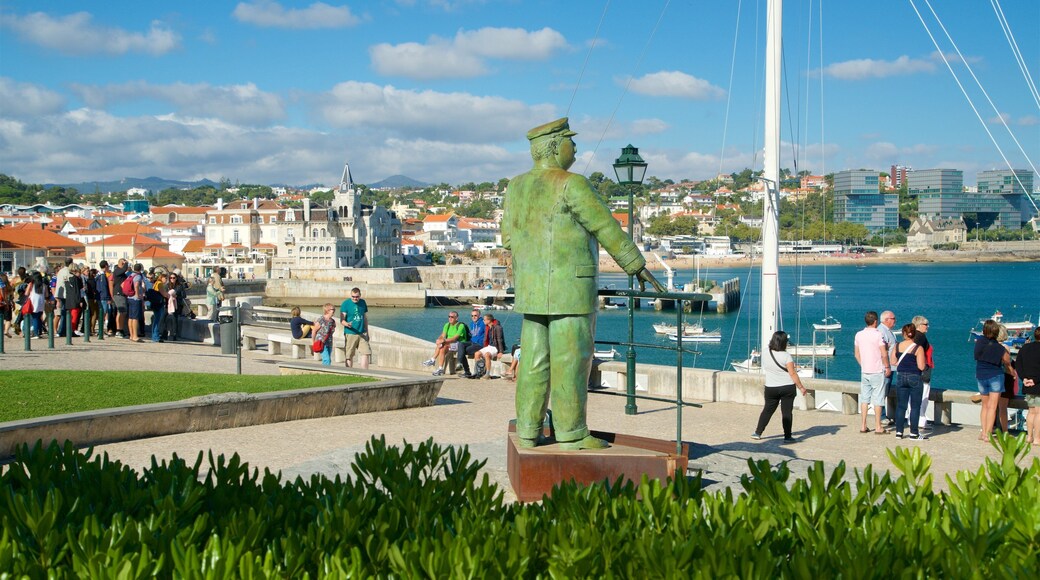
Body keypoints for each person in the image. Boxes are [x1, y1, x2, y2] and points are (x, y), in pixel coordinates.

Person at [501, 117, 664, 450]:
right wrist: (635, 265)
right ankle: (571, 433)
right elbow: (605, 227)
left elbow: (507, 239)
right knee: (571, 363)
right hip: (571, 292)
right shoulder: (571, 184)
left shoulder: (515, 186)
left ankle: (529, 431)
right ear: (554, 146)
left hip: (532, 292)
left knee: (533, 363)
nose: (575, 147)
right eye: (569, 141)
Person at [753, 331, 809, 442]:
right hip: (787, 387)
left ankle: (757, 432)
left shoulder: (765, 352)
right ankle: (787, 437)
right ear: (784, 343)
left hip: (770, 387)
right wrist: (801, 387)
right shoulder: (786, 356)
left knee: (767, 410)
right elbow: (792, 373)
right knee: (787, 412)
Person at [974, 319, 1016, 441]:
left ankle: (983, 433)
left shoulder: (979, 342)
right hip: (995, 376)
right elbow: (1007, 362)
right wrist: (1012, 373)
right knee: (992, 407)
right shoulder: (999, 348)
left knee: (985, 406)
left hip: (981, 374)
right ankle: (988, 435)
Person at [854, 311, 890, 434]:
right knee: (878, 399)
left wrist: (863, 364)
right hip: (877, 370)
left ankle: (863, 425)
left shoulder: (859, 335)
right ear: (875, 322)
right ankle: (878, 426)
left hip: (865, 371)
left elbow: (856, 354)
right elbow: (884, 353)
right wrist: (887, 366)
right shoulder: (878, 335)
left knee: (864, 399)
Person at [892, 323, 927, 440]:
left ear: (903, 333)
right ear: (914, 334)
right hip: (914, 377)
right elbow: (921, 366)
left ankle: (899, 432)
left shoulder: (897, 346)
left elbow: (893, 361)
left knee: (901, 406)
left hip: (901, 377)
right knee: (915, 407)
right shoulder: (918, 348)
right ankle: (914, 433)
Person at [1014, 328, 1040, 446]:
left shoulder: (1025, 348)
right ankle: (1037, 438)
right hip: (1038, 384)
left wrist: (1024, 378)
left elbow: (1018, 365)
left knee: (1031, 412)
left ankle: (1029, 436)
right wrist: (1035, 380)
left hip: (1027, 385)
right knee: (1039, 413)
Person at [422, 311, 468, 376]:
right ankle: (439, 367)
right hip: (449, 343)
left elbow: (454, 338)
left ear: (456, 318)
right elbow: (443, 335)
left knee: (443, 344)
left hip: (460, 344)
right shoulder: (447, 325)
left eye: (452, 317)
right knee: (442, 346)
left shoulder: (461, 326)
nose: (450, 318)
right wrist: (439, 340)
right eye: (449, 316)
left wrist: (443, 341)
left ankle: (433, 360)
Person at [911, 315, 934, 431]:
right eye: (926, 324)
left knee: (913, 397)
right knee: (923, 396)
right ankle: (921, 420)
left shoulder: (913, 336)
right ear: (919, 325)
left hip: (913, 371)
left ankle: (914, 419)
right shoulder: (921, 338)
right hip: (923, 370)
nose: (927, 327)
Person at [340, 287, 371, 369]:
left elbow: (365, 318)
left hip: (362, 333)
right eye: (353, 296)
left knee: (366, 353)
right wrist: (346, 324)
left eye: (357, 296)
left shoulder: (363, 302)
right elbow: (342, 320)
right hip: (350, 333)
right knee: (349, 355)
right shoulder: (345, 304)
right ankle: (349, 373)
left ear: (360, 295)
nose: (355, 298)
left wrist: (367, 332)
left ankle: (365, 373)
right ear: (351, 295)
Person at [878, 310, 898, 424]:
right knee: (882, 392)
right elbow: (882, 351)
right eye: (893, 318)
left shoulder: (888, 331)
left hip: (890, 366)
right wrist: (887, 367)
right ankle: (881, 416)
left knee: (885, 392)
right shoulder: (882, 331)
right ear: (886, 320)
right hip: (886, 368)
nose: (895, 321)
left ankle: (882, 415)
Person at [475, 313, 506, 381]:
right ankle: (480, 371)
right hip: (489, 346)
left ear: (489, 320)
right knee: (477, 354)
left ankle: (487, 374)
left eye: (484, 320)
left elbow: (500, 339)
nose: (483, 321)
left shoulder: (497, 327)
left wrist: (501, 351)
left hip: (495, 347)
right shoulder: (488, 327)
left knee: (487, 355)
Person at [458, 309, 486, 378]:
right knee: (461, 344)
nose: (473, 317)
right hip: (472, 342)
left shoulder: (483, 323)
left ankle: (467, 372)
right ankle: (460, 363)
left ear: (479, 315)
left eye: (475, 315)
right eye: (472, 316)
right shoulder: (472, 323)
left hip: (479, 344)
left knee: (462, 351)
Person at [126, 263, 145, 342]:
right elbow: (136, 285)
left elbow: (122, 284)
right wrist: (137, 295)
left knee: (130, 317)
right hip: (135, 299)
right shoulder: (138, 276)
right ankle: (135, 336)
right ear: (140, 269)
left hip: (129, 298)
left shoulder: (130, 275)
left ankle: (131, 335)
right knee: (135, 318)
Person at [112, 258, 130, 338]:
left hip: (123, 294)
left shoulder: (122, 273)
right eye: (123, 263)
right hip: (118, 293)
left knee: (122, 312)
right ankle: (119, 330)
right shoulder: (117, 271)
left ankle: (121, 329)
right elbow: (124, 269)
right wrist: (126, 263)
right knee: (121, 312)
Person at [165, 272, 182, 341]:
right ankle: (164, 333)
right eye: (171, 278)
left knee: (175, 319)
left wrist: (177, 296)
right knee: (164, 318)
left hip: (176, 304)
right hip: (167, 303)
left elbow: (183, 295)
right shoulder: (167, 285)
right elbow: (165, 293)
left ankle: (174, 334)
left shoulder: (179, 286)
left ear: (176, 278)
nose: (172, 279)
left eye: (174, 278)